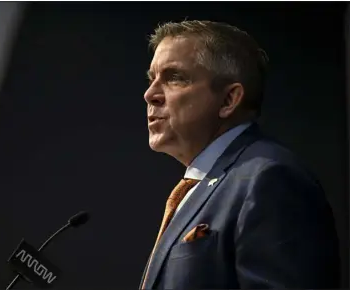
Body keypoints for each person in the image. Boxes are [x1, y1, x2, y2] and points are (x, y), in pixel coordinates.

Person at [140, 20, 340, 289]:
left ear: (228, 100)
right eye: (152, 79)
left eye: (174, 77)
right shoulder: (202, 186)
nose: (150, 94)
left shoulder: (270, 179)